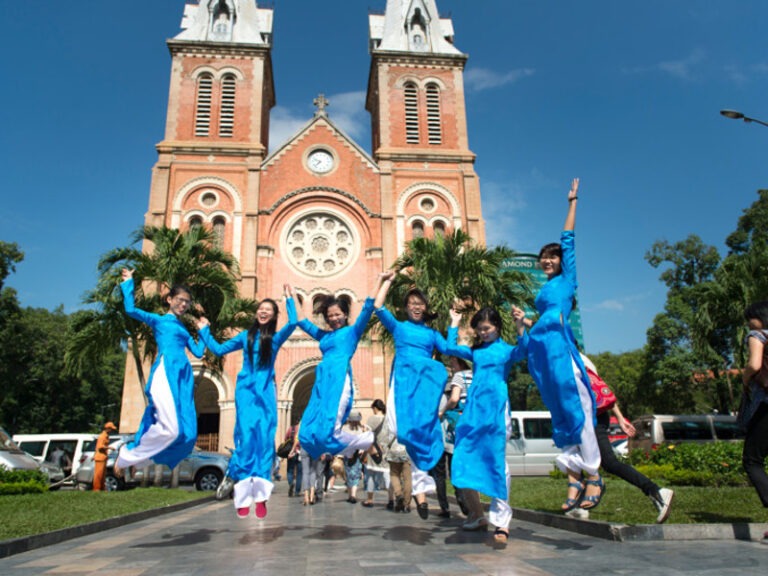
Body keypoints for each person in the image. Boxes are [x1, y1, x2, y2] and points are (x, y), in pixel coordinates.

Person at [523, 179, 603, 512]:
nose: (547, 261)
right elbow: (541, 322)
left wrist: (572, 202)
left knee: (576, 407)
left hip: (561, 349)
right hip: (542, 353)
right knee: (559, 413)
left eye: (552, 257)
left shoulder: (567, 280)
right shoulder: (542, 293)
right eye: (543, 258)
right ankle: (573, 480)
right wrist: (523, 323)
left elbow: (568, 240)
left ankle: (594, 475)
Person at [196, 284, 298, 519]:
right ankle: (239, 486)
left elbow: (292, 324)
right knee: (245, 436)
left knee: (264, 439)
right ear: (256, 313)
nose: (263, 312)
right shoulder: (245, 336)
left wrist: (289, 299)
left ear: (273, 316)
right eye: (261, 309)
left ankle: (261, 496)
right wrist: (204, 331)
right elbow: (219, 350)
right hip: (246, 391)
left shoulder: (275, 338)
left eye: (269, 310)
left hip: (266, 391)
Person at [373, 270, 456, 519]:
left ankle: (420, 488)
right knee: (400, 430)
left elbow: (448, 348)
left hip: (423, 383)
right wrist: (387, 282)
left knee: (419, 430)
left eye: (420, 304)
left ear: (425, 307)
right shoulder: (399, 327)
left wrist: (454, 323)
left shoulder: (431, 333)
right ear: (406, 308)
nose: (416, 307)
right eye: (412, 304)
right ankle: (420, 488)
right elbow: (378, 306)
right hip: (402, 382)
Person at [447, 305, 528, 544]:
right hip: (474, 411)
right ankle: (476, 513)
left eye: (487, 329)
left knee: (497, 463)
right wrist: (454, 322)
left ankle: (502, 524)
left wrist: (520, 325)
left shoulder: (505, 351)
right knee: (463, 455)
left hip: (497, 411)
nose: (483, 333)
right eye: (479, 329)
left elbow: (524, 349)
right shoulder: (476, 352)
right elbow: (450, 348)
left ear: (497, 327)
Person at [115, 268, 205, 475]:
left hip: (183, 376)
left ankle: (136, 462)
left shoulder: (184, 330)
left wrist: (203, 331)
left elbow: (199, 352)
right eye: (180, 300)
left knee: (186, 435)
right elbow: (131, 310)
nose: (183, 305)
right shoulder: (159, 320)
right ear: (169, 299)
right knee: (171, 428)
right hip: (167, 371)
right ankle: (128, 452)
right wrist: (129, 283)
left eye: (187, 302)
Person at [296, 278, 385, 459]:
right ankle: (359, 445)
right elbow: (301, 322)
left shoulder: (352, 332)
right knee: (305, 434)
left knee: (329, 430)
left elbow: (368, 307)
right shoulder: (324, 337)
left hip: (339, 381)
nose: (334, 318)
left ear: (345, 314)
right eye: (330, 315)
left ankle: (366, 442)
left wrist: (381, 280)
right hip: (322, 383)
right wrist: (291, 298)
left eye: (337, 314)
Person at [580, 354, 674, 523]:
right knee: (578, 459)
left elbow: (600, 390)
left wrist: (621, 419)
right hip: (585, 418)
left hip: (594, 417)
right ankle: (579, 506)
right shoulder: (570, 359)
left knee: (609, 462)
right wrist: (621, 419)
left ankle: (656, 492)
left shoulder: (577, 360)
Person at [740, 301, 768, 512]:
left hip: (765, 405)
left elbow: (755, 364)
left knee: (752, 460)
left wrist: (745, 378)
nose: (749, 322)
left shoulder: (757, 336)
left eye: (750, 318)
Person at [439, 357, 473, 517]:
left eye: (452, 363)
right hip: (472, 422)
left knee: (455, 466)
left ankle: (465, 504)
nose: (451, 367)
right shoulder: (475, 374)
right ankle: (473, 508)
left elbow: (454, 399)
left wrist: (443, 410)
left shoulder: (459, 377)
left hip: (457, 425)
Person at [362, 399, 392, 509]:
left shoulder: (372, 419)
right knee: (387, 475)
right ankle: (391, 499)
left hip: (374, 450)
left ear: (375, 408)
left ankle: (370, 500)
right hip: (386, 450)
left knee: (370, 475)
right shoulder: (389, 419)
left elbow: (366, 433)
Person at [341, 411, 370, 503]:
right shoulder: (361, 429)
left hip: (348, 454)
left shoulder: (344, 428)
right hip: (357, 454)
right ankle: (353, 495)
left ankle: (351, 495)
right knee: (355, 474)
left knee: (349, 474)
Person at [92, 422, 117, 491]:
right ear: (108, 429)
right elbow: (100, 446)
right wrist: (109, 448)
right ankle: (96, 489)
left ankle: (102, 488)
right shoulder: (102, 436)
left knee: (103, 474)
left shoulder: (106, 435)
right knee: (99, 474)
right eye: (111, 429)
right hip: (100, 457)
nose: (112, 431)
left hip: (103, 457)